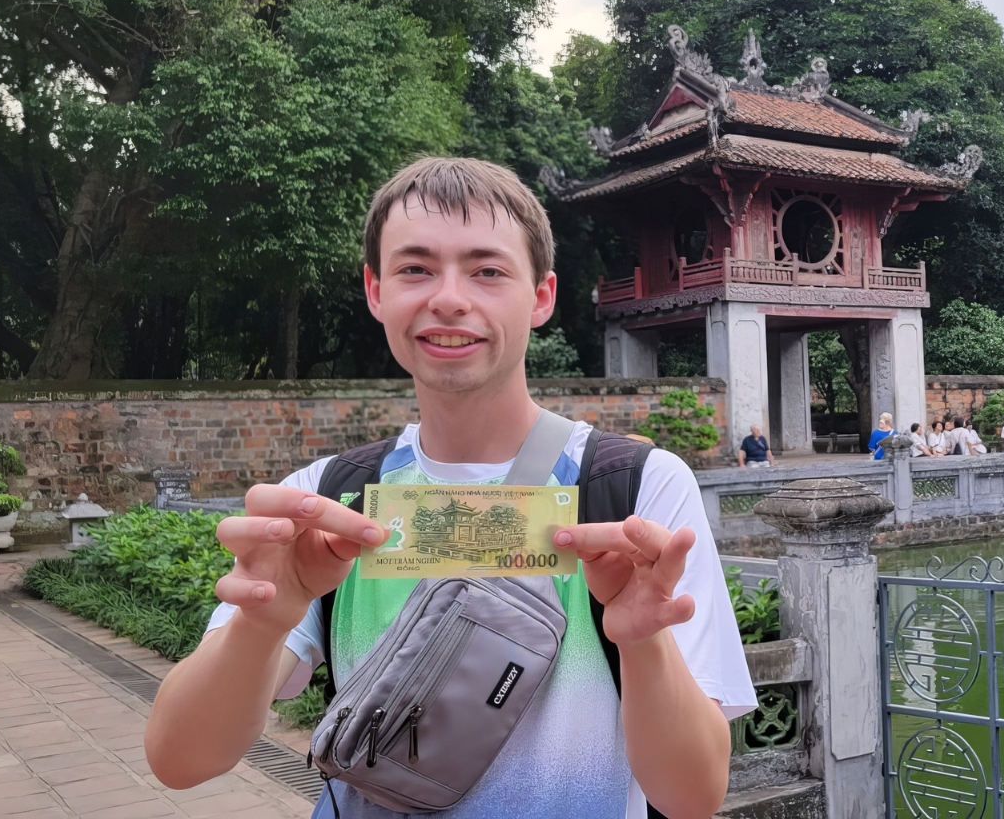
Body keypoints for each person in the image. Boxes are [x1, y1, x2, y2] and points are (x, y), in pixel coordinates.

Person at [144, 157, 755, 819]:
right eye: (415, 269)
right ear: (376, 292)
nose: (450, 298)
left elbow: (693, 797)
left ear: (542, 295)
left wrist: (642, 641)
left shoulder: (637, 492)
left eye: (488, 270)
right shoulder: (326, 501)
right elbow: (180, 760)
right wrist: (263, 622)